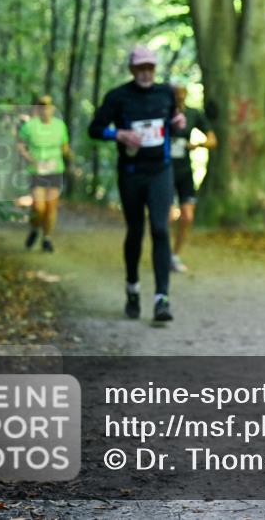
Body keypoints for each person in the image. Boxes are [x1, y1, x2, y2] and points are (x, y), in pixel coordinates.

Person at [88, 46, 186, 322]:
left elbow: (176, 122)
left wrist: (179, 122)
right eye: (141, 68)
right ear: (132, 70)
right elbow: (94, 129)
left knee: (160, 229)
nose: (146, 73)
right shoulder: (118, 97)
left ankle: (162, 299)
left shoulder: (167, 93)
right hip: (131, 173)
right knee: (135, 231)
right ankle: (132, 288)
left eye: (150, 68)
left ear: (155, 70)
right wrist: (119, 134)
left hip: (160, 172)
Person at [168, 82, 217, 273]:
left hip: (184, 171)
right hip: (164, 171)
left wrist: (196, 145)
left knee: (187, 215)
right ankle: (163, 254)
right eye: (175, 94)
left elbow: (212, 140)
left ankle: (175, 255)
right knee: (168, 216)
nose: (179, 97)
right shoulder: (163, 113)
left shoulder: (193, 114)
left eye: (182, 93)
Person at [17, 95, 71, 253]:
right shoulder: (30, 126)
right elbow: (20, 145)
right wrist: (28, 157)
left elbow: (65, 146)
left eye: (47, 106)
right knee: (39, 207)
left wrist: (67, 154)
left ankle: (46, 238)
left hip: (55, 170)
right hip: (37, 171)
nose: (45, 109)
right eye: (41, 106)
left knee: (51, 207)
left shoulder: (60, 126)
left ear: (53, 109)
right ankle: (34, 229)